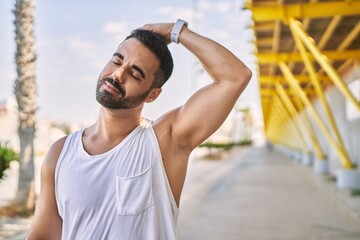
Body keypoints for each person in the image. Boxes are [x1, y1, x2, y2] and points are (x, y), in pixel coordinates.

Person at [26, 20, 252, 240]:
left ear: (152, 94)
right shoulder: (60, 153)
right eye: (117, 61)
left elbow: (235, 77)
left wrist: (176, 31)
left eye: (135, 74)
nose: (118, 75)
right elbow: (42, 235)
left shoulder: (164, 142)